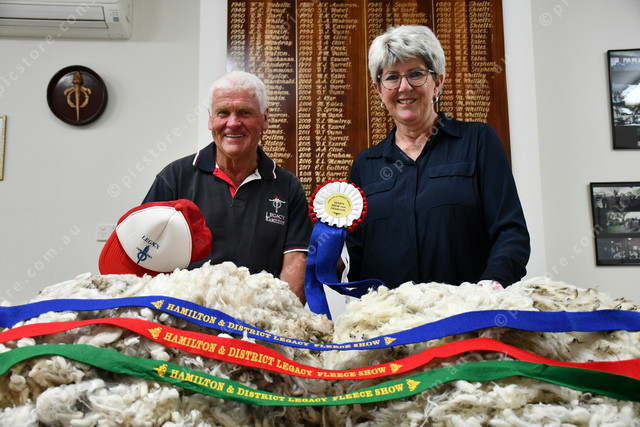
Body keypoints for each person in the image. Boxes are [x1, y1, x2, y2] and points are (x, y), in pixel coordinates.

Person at [346, 25, 530, 289]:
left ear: (437, 82)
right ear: (379, 90)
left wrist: (492, 284)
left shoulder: (478, 142)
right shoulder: (365, 166)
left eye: (416, 74)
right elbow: (357, 257)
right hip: (390, 314)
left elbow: (511, 232)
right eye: (392, 77)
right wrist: (327, 262)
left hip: (467, 311)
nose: (404, 87)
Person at [143, 71, 312, 302]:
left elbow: (296, 262)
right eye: (223, 113)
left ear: (264, 119)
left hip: (259, 317)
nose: (233, 123)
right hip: (187, 318)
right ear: (210, 119)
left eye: (245, 112)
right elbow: (144, 254)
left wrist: (281, 315)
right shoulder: (174, 178)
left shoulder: (288, 186)